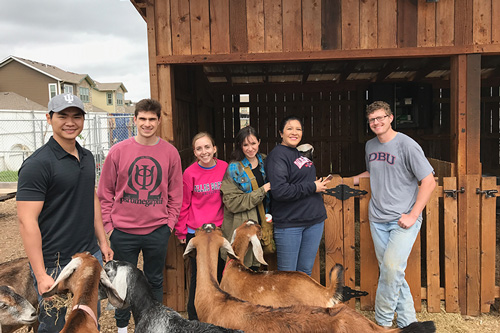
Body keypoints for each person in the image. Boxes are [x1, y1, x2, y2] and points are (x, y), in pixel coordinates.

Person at [17, 93, 113, 333]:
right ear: (49, 118)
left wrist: (102, 242)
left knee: (88, 321)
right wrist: (40, 274)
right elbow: (26, 221)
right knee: (57, 325)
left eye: (76, 116)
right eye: (63, 116)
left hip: (89, 256)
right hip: (55, 264)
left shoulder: (88, 158)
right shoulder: (38, 164)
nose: (70, 122)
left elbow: (91, 198)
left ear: (83, 121)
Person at [97, 98, 182, 333]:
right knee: (122, 283)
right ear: (134, 120)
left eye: (152, 119)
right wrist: (109, 227)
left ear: (159, 121)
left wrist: (169, 224)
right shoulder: (118, 151)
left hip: (157, 231)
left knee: (155, 281)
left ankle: (155, 327)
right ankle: (122, 328)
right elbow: (104, 194)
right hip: (123, 232)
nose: (147, 124)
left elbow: (176, 193)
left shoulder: (170, 153)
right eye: (142, 119)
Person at [352, 101, 436, 329]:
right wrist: (346, 180)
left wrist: (412, 214)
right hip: (378, 218)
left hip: (403, 220)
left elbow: (428, 181)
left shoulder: (407, 145)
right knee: (392, 272)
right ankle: (410, 323)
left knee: (390, 269)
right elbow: (372, 171)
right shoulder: (370, 146)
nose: (376, 122)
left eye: (380, 118)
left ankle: (383, 323)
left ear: (390, 118)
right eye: (371, 120)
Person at [264, 116, 330, 275]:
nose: (294, 132)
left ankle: (301, 302)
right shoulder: (277, 156)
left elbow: (298, 180)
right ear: (281, 133)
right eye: (289, 129)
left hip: (314, 221)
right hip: (290, 223)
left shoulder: (298, 153)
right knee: (288, 276)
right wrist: (312, 186)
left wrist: (313, 182)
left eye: (298, 129)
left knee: (304, 273)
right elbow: (280, 191)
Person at [175, 132, 228, 320]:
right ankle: (194, 319)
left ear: (215, 149)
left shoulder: (224, 168)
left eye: (207, 147)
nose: (204, 152)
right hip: (196, 231)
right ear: (195, 152)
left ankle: (218, 318)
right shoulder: (189, 173)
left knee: (221, 274)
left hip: (219, 230)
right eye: (199, 149)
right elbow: (184, 203)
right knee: (198, 277)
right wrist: (181, 230)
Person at [221, 126, 271, 270]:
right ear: (240, 146)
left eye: (253, 143)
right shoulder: (233, 169)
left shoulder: (266, 161)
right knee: (245, 268)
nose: (250, 148)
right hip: (243, 225)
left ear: (259, 142)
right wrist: (263, 190)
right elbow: (233, 202)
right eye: (245, 145)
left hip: (264, 222)